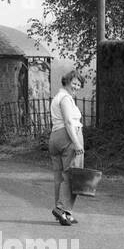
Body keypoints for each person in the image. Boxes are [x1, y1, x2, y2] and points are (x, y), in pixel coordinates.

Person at [49, 68, 85, 226]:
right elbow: (69, 122)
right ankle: (62, 208)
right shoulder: (65, 98)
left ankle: (64, 213)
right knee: (72, 175)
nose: (76, 86)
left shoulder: (57, 97)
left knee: (59, 177)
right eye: (74, 83)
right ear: (67, 82)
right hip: (68, 137)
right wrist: (77, 143)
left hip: (55, 137)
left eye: (79, 84)